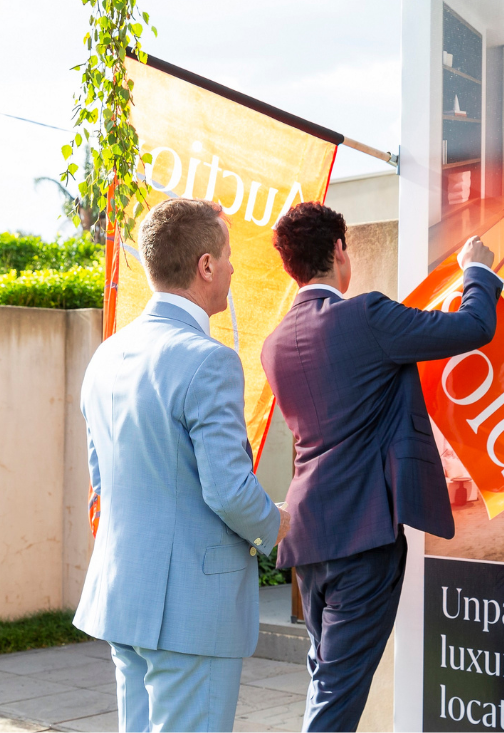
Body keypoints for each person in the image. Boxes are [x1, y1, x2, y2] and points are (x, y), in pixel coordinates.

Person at [261, 201, 502, 731]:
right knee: (336, 697)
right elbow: (474, 326)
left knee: (326, 680)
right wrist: (477, 270)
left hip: (309, 540)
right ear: (340, 252)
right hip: (362, 538)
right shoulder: (365, 315)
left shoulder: (274, 345)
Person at [74, 198, 290, 733]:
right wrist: (281, 529)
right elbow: (230, 492)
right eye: (229, 254)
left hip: (124, 598)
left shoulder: (106, 355)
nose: (235, 267)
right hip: (193, 612)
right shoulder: (208, 360)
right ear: (206, 266)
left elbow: (99, 488)